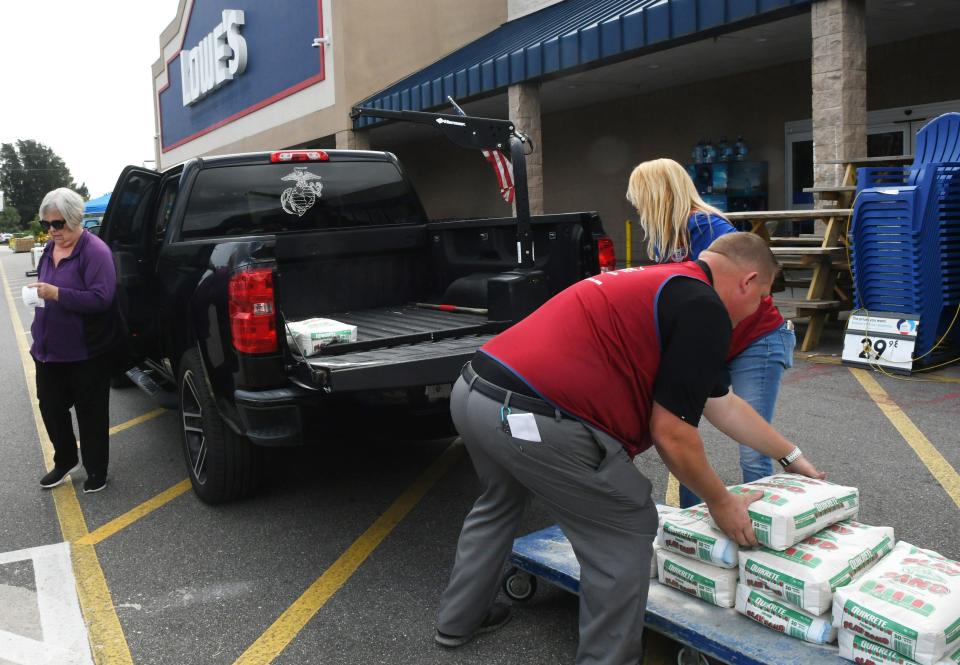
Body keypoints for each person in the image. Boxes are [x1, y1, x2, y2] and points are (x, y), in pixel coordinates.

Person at [435, 232, 825, 665]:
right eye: (763, 297)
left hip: (476, 393)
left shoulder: (670, 284)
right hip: (535, 420)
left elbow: (723, 403)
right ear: (748, 281)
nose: (757, 311)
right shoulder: (705, 309)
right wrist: (721, 501)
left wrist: (790, 454)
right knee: (627, 525)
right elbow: (671, 434)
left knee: (498, 501)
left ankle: (459, 620)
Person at [626, 157, 796, 507]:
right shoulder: (663, 240)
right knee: (682, 431)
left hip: (755, 339)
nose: (635, 204)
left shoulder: (708, 225)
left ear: (656, 192)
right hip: (712, 345)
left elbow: (723, 291)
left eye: (638, 195)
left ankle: (766, 526)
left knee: (753, 447)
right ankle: (696, 521)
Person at [29, 187, 124, 494]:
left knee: (91, 414)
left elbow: (101, 298)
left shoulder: (95, 251)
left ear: (74, 219)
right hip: (48, 350)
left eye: (58, 224)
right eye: (47, 225)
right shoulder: (49, 250)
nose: (52, 231)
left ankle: (96, 469)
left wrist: (57, 293)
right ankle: (66, 460)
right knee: (51, 408)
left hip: (86, 352)